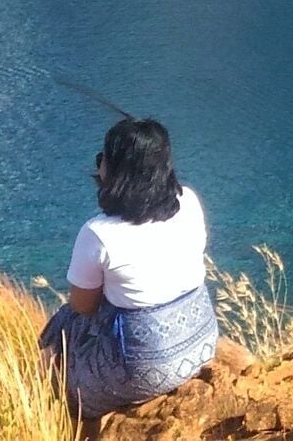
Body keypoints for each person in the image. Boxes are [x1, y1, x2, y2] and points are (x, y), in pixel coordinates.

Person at [40, 118, 218, 418]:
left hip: (146, 368)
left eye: (104, 157)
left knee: (61, 344)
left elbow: (83, 306)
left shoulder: (98, 233)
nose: (100, 164)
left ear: (116, 171)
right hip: (201, 342)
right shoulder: (188, 200)